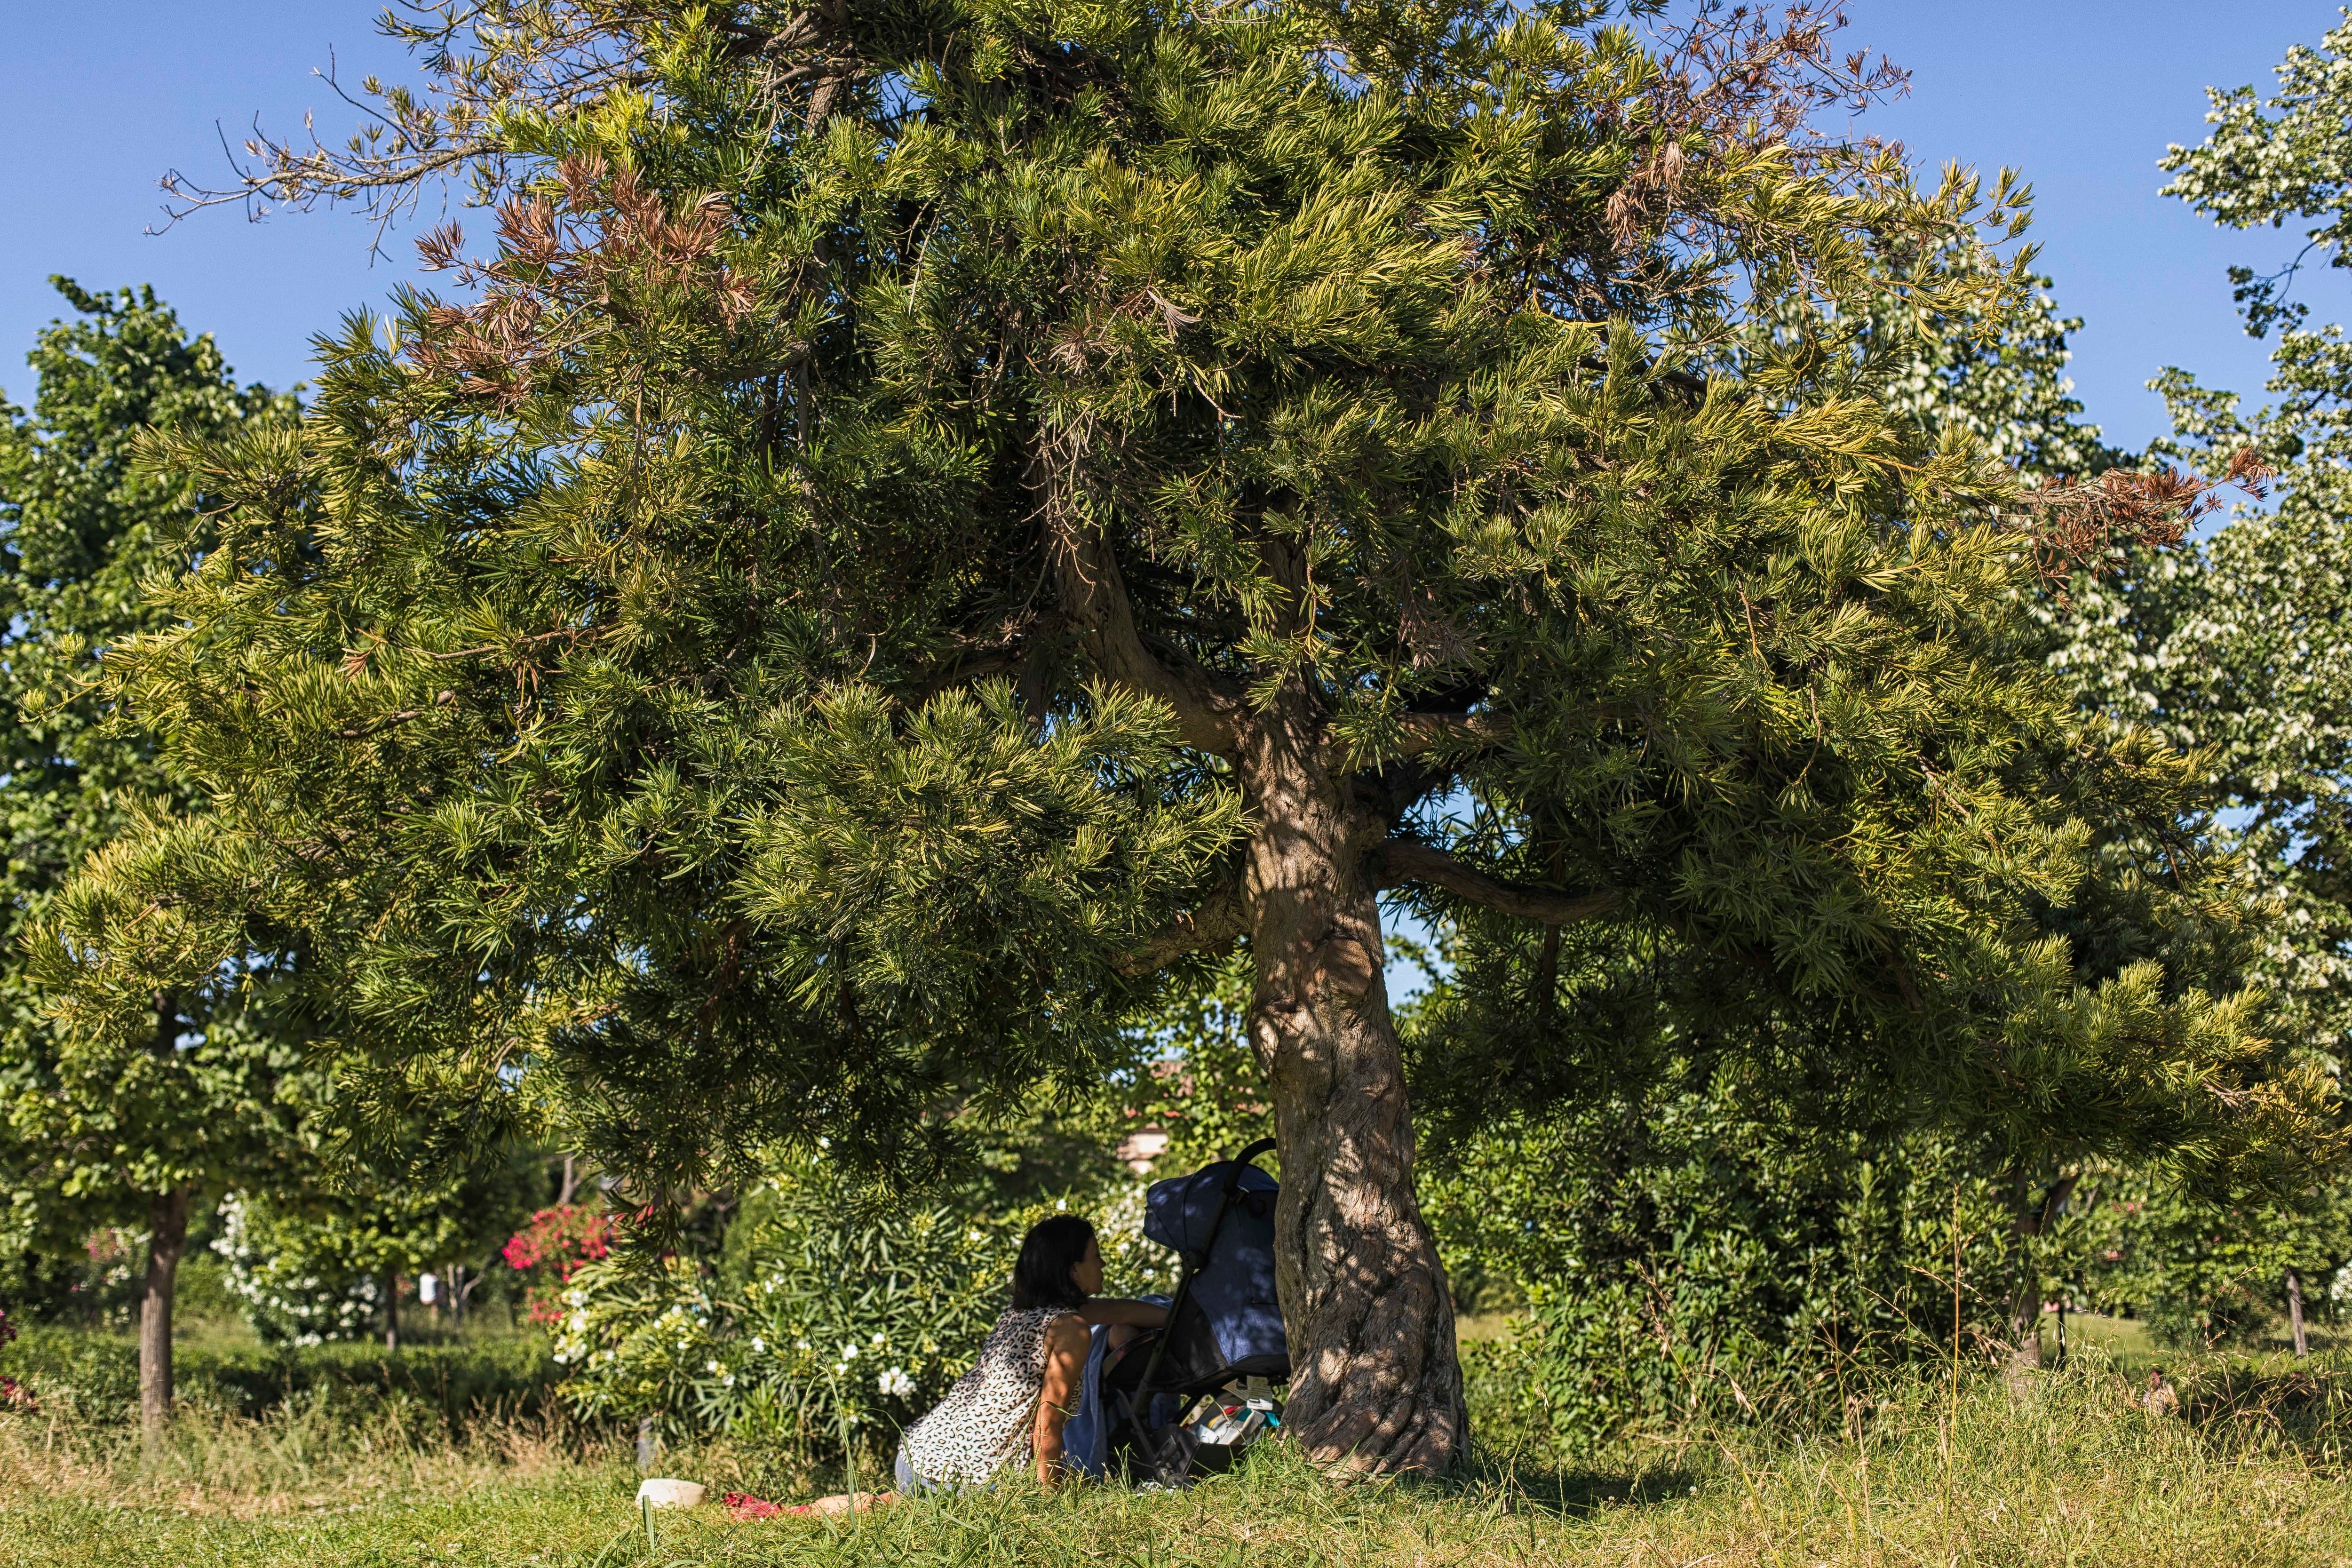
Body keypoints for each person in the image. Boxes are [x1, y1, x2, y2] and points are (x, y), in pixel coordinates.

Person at [791, 1213, 1166, 1514]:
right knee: (1083, 1492)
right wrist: (1053, 1508)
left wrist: (1175, 1314)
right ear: (1073, 1270)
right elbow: (1047, 1429)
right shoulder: (1072, 1330)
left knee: (895, 1507)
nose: (1102, 1262)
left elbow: (1130, 1310)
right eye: (1095, 1255)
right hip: (966, 1473)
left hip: (920, 1453)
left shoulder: (1026, 1311)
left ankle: (796, 1513)